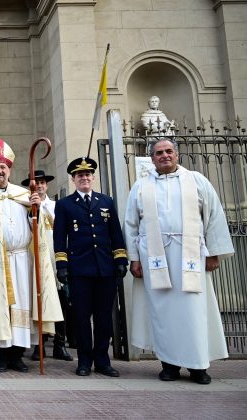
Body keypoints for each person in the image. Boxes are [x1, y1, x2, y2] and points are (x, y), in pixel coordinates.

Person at [124, 138, 234, 385]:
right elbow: (130, 224)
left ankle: (198, 367)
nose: (164, 156)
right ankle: (169, 365)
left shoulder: (196, 180)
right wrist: (134, 259)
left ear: (177, 155)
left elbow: (214, 216)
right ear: (152, 159)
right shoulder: (141, 186)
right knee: (163, 313)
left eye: (169, 151)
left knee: (194, 311)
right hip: (155, 258)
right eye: (159, 153)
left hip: (191, 257)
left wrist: (214, 252)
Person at [0, 139, 63, 373]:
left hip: (22, 260)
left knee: (22, 307)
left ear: (10, 170)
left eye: (3, 167)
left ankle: (17, 355)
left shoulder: (24, 196)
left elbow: (41, 228)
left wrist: (36, 210)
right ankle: (1, 356)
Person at [54, 157, 127, 377]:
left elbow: (115, 233)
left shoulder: (106, 201)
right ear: (74, 180)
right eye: (79, 176)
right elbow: (60, 237)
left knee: (104, 318)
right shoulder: (65, 204)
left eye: (87, 175)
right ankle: (84, 360)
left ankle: (103, 360)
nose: (84, 178)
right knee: (82, 318)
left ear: (93, 177)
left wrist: (121, 259)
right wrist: (62, 265)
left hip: (105, 269)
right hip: (79, 270)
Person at [21, 170, 74, 362]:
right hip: (37, 259)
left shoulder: (57, 206)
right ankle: (39, 345)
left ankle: (60, 345)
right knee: (40, 302)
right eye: (36, 184)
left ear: (47, 185)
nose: (40, 186)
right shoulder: (26, 206)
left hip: (56, 258)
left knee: (61, 301)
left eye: (43, 182)